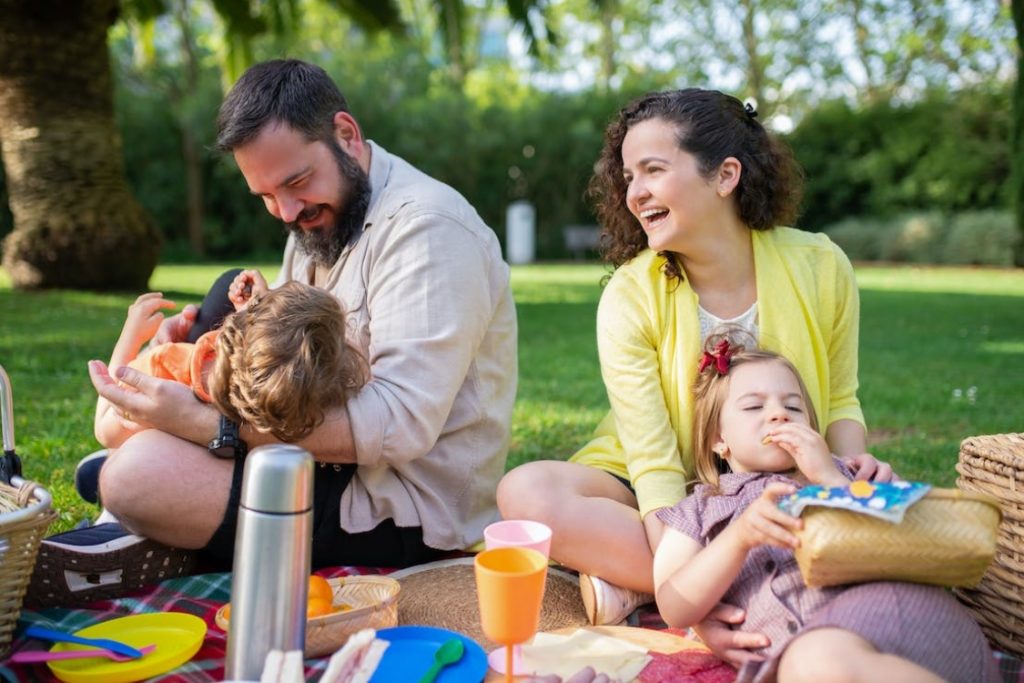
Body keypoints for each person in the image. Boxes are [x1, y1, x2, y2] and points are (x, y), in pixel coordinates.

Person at [29, 58, 517, 607]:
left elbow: (399, 426)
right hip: (318, 452)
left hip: (396, 507)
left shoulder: (429, 230)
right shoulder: (317, 214)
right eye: (265, 196)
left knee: (133, 474)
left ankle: (147, 507)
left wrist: (201, 422)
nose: (285, 211)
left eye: (297, 181)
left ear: (346, 135)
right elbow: (282, 361)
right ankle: (164, 511)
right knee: (221, 297)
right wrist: (195, 355)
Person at [496, 88, 891, 645]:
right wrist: (689, 598)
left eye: (652, 170)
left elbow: (843, 399)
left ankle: (641, 586)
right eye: (628, 176)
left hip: (778, 478)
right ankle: (730, 586)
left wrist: (847, 475)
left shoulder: (821, 265)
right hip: (665, 483)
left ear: (725, 175)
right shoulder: (631, 295)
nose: (635, 193)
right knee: (527, 493)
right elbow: (656, 469)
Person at [652, 339, 998, 683]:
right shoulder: (699, 508)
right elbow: (674, 607)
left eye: (794, 406)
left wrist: (830, 478)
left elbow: (924, 543)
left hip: (911, 624)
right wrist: (738, 538)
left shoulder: (855, 474)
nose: (779, 413)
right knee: (811, 662)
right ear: (717, 438)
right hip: (820, 660)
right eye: (754, 407)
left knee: (815, 661)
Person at [93, 279, 367, 450]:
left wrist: (131, 337)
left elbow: (106, 430)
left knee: (116, 459)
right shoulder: (266, 399)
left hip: (140, 462)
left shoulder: (167, 365)